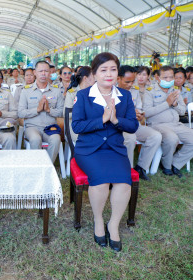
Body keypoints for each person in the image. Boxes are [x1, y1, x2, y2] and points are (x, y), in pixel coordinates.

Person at [72, 53, 139, 252]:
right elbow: (77, 126)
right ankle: (98, 220)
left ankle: (113, 224)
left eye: (113, 69)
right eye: (103, 70)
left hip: (115, 149)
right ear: (94, 73)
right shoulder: (83, 95)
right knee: (100, 181)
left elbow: (133, 126)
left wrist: (117, 120)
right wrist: (102, 119)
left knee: (123, 182)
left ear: (117, 73)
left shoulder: (125, 96)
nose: (108, 74)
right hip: (89, 150)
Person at [143, 65, 193, 178]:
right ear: (158, 78)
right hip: (157, 125)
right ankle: (167, 167)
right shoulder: (150, 91)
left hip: (176, 124)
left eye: (171, 77)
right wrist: (167, 103)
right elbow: (147, 112)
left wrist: (175, 104)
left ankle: (175, 164)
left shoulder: (175, 90)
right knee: (172, 138)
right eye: (165, 77)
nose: (169, 80)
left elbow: (181, 111)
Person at [117, 66, 162, 181]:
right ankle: (127, 171)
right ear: (118, 79)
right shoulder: (110, 90)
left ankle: (141, 167)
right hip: (118, 126)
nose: (130, 84)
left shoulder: (134, 90)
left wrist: (139, 114)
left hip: (133, 124)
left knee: (155, 136)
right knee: (130, 139)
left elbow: (139, 108)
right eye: (127, 81)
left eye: (133, 81)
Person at [18, 61, 64, 163]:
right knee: (35, 139)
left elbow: (61, 112)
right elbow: (20, 113)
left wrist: (49, 110)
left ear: (50, 73)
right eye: (40, 71)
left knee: (56, 139)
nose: (43, 74)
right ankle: (38, 165)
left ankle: (48, 166)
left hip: (50, 127)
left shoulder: (56, 91)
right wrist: (37, 110)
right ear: (35, 72)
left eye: (46, 71)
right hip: (32, 127)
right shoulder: (26, 91)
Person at [64, 66, 95, 143]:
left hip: (90, 126)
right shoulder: (72, 93)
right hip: (74, 127)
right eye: (93, 77)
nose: (95, 80)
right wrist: (81, 111)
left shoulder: (94, 92)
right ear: (85, 78)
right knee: (90, 141)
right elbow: (66, 114)